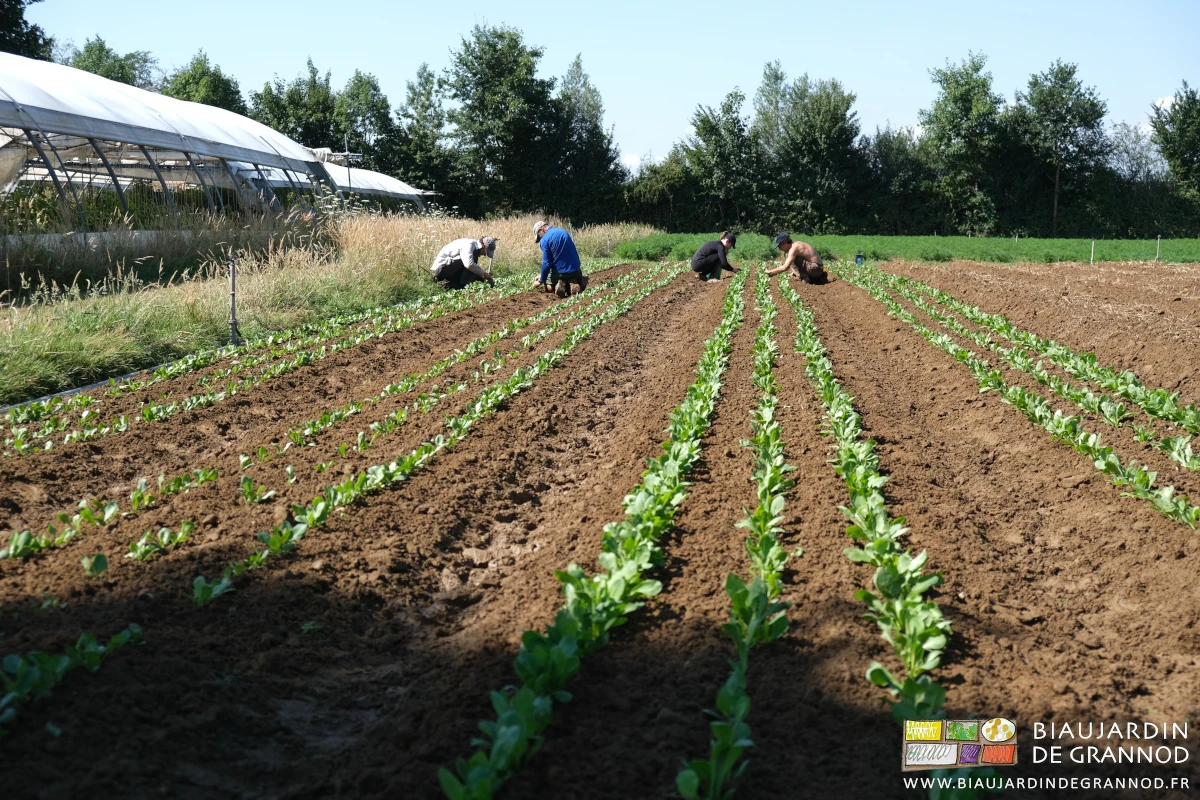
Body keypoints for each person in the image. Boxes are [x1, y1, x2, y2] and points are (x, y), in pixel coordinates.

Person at [532, 220, 589, 297]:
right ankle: (574, 282)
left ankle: (560, 284)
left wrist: (541, 280)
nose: (540, 238)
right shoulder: (563, 232)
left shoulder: (544, 240)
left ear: (541, 229)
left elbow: (547, 263)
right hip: (576, 270)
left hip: (560, 273)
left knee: (548, 286)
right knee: (576, 277)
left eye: (539, 236)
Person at [431, 236, 497, 289]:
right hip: (441, 268)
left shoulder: (473, 247)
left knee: (476, 271)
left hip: (449, 267)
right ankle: (441, 280)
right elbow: (469, 264)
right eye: (485, 252)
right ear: (483, 247)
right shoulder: (469, 245)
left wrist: (482, 276)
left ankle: (454, 284)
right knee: (471, 264)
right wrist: (484, 274)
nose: (485, 255)